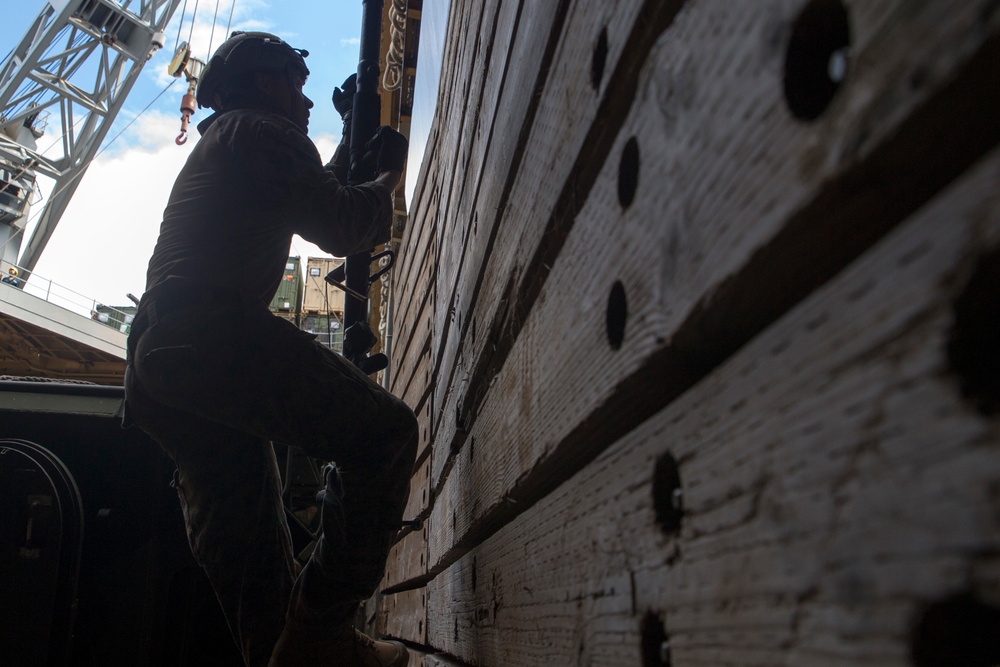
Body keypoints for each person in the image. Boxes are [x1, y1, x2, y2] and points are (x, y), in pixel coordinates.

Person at [123, 31, 417, 667]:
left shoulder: (233, 140)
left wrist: (347, 136)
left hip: (161, 364)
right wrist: (391, 173)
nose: (306, 100)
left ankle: (300, 648)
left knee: (257, 569)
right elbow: (339, 222)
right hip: (212, 335)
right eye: (298, 83)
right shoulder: (259, 129)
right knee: (385, 436)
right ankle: (325, 629)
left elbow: (310, 192)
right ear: (264, 83)